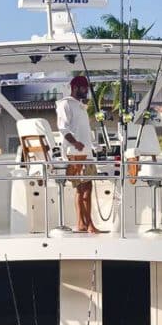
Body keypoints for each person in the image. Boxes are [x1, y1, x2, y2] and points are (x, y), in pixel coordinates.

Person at [56, 75, 101, 233]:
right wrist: (75, 143)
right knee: (84, 188)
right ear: (75, 88)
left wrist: (93, 146)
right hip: (76, 152)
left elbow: (82, 130)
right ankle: (89, 225)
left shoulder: (80, 105)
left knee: (82, 188)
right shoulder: (66, 104)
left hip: (86, 152)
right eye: (84, 89)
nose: (86, 92)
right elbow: (63, 128)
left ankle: (82, 223)